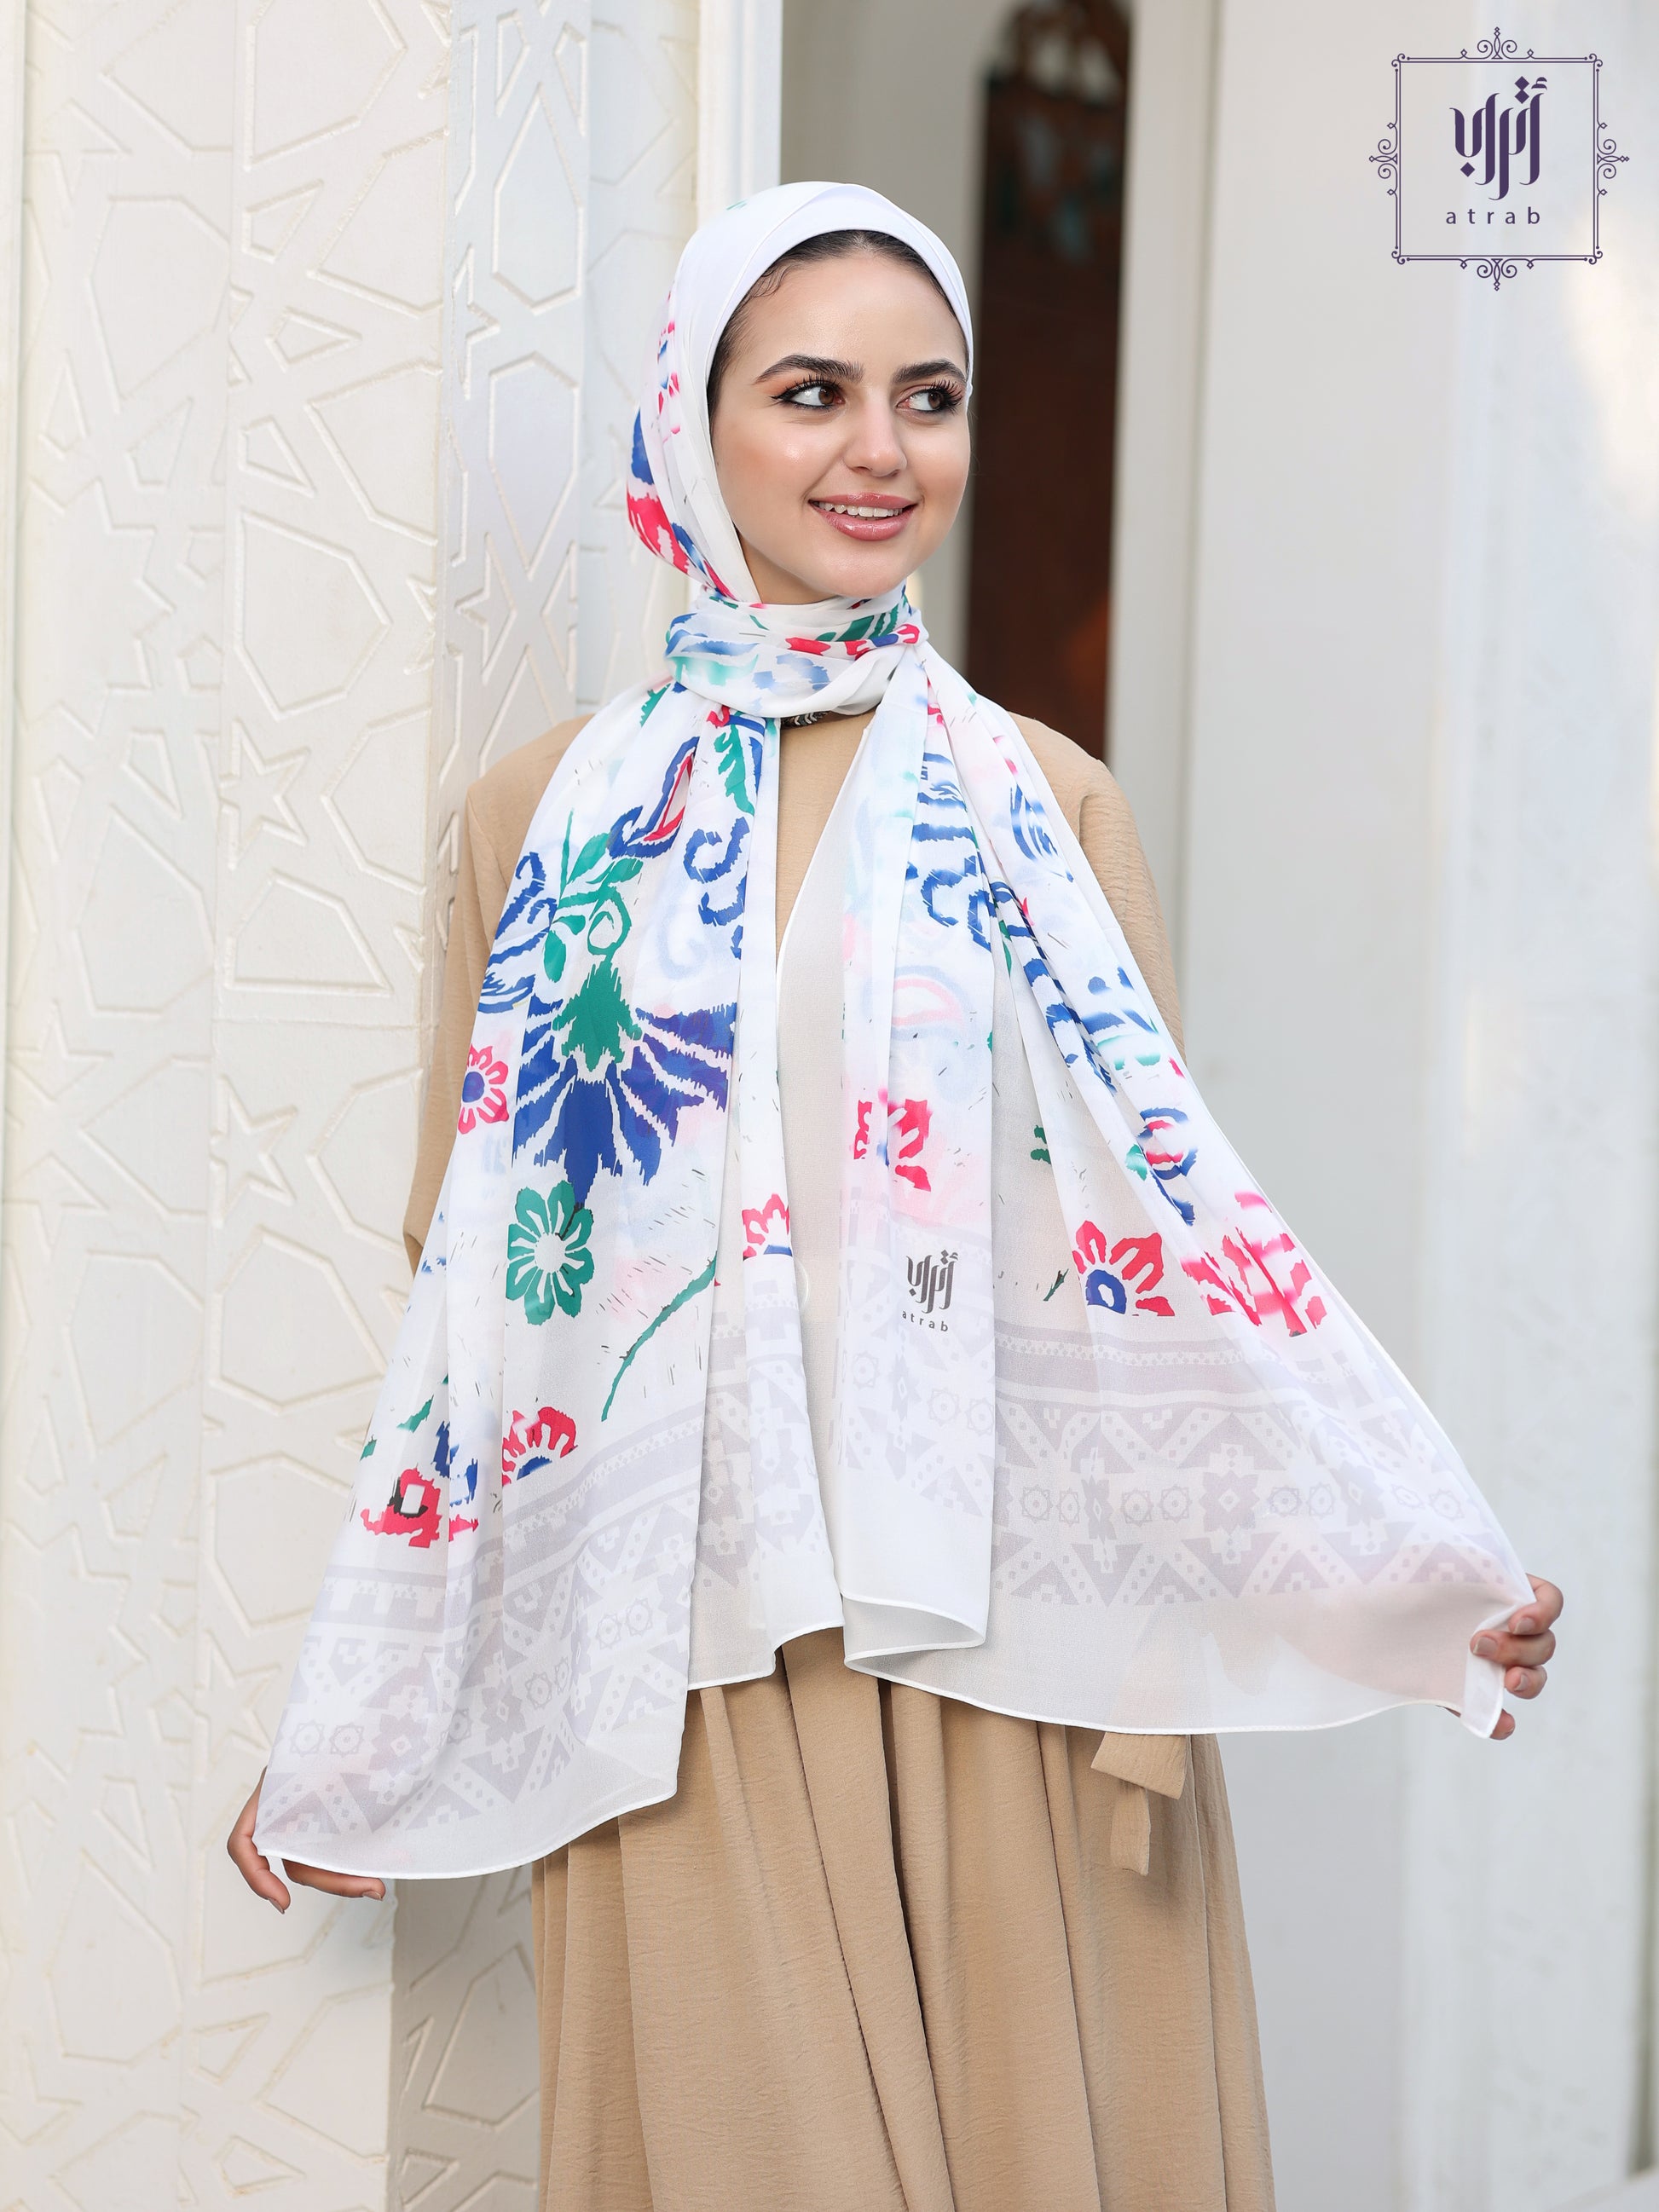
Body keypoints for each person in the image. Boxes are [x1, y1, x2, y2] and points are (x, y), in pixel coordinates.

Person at [228, 182, 1564, 2210]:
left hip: (1010, 1662)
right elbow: (485, 1296)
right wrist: (370, 1709)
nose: (880, 448)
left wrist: (1397, 1569)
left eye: (926, 396)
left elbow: (1170, 1261)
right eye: (811, 392)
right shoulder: (543, 813)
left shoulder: (1046, 800)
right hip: (689, 1661)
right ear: (692, 423)